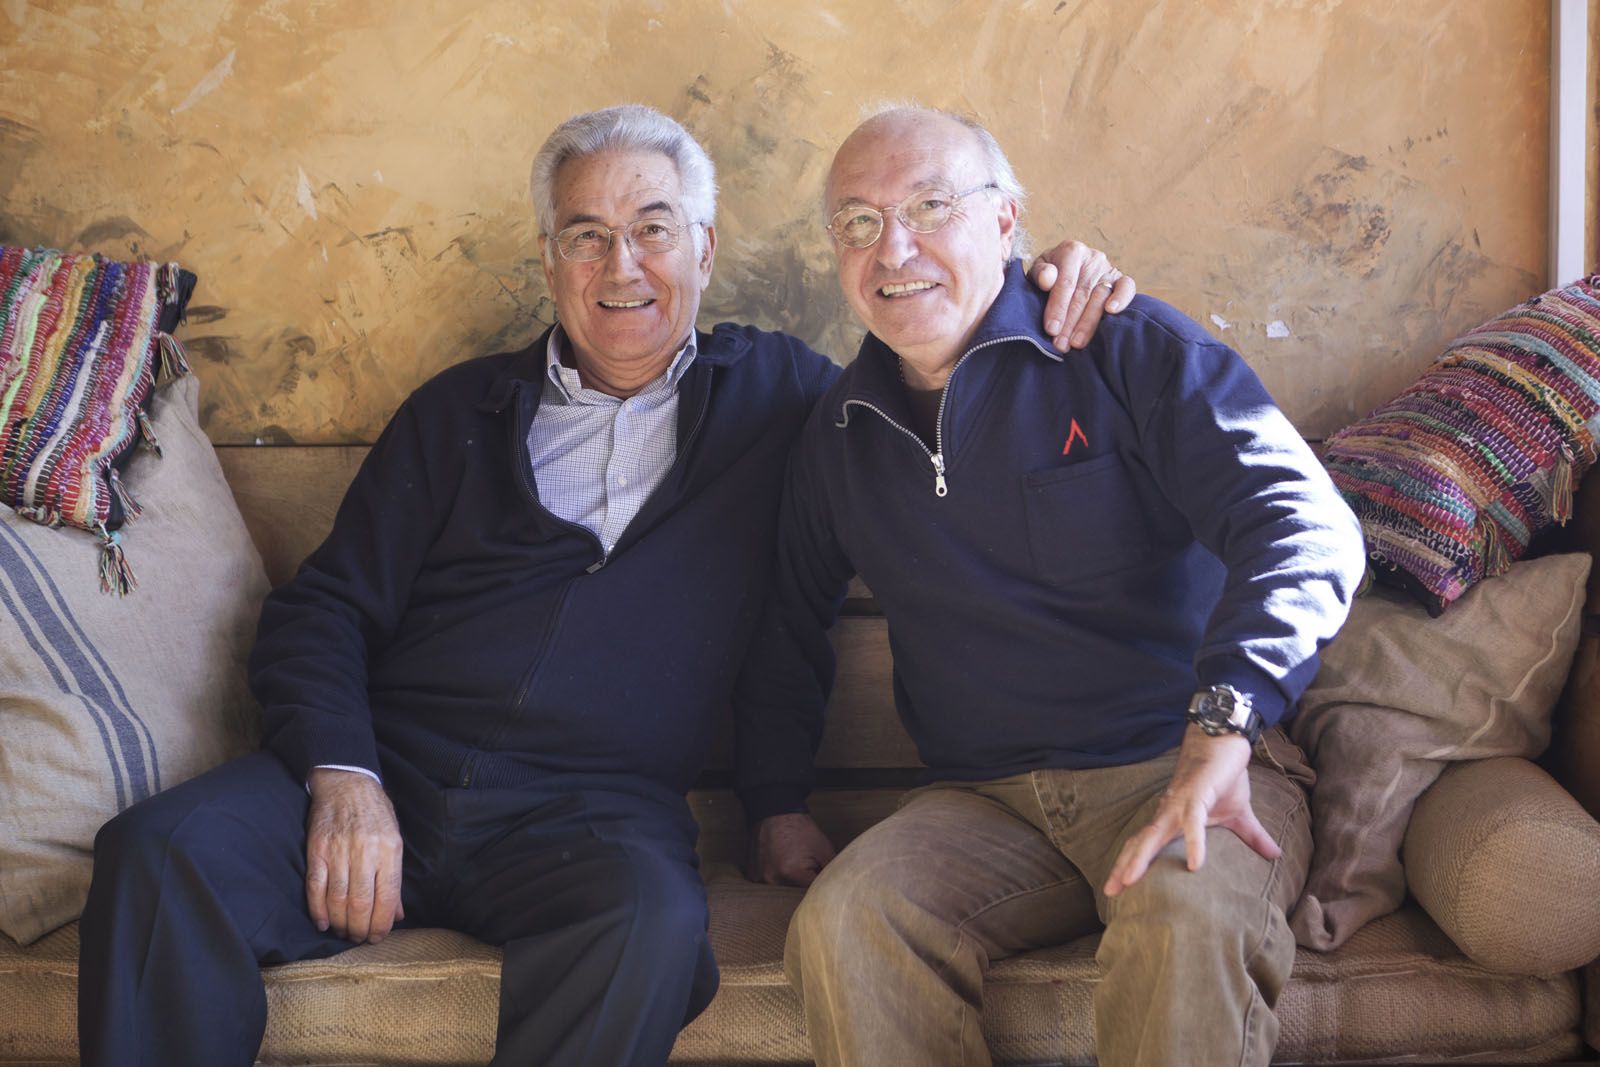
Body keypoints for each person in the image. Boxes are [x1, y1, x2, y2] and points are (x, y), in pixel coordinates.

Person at [75, 104, 1134, 1067]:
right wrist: (343, 777)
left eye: (653, 229)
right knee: (158, 857)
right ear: (548, 261)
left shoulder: (787, 401)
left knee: (647, 924)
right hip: (385, 767)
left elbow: (929, 360)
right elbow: (324, 609)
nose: (620, 264)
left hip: (585, 812)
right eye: (586, 234)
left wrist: (1047, 278)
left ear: (704, 251)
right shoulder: (458, 413)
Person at [735, 105, 1368, 1067]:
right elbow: (785, 616)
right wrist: (775, 800)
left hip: (1185, 763)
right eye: (858, 221)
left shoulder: (1123, 347)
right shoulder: (839, 433)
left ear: (1005, 221)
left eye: (929, 205)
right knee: (846, 923)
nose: (893, 246)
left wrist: (1221, 728)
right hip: (981, 804)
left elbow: (1305, 525)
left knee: (1186, 916)